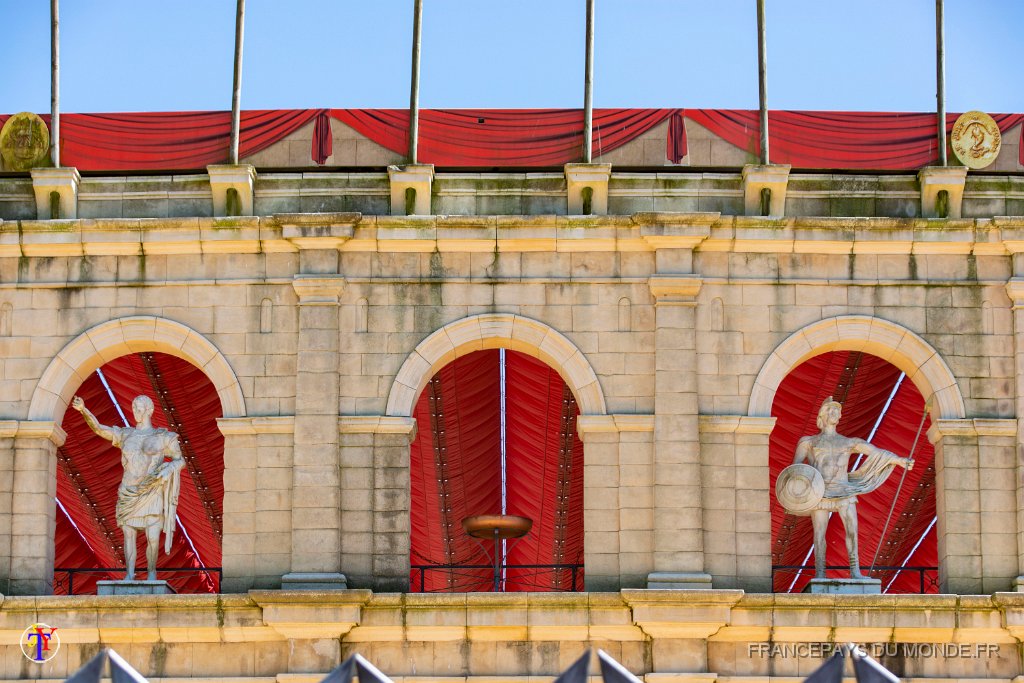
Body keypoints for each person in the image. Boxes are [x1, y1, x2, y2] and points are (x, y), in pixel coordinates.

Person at [793, 397, 914, 580]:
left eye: (837, 411)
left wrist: (899, 460)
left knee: (852, 531)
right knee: (819, 534)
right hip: (820, 492)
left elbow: (875, 452)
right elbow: (794, 470)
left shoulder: (849, 442)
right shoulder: (809, 442)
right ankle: (820, 573)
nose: (835, 414)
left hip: (844, 490)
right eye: (831, 410)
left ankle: (855, 571)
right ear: (822, 415)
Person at [72, 394, 184, 581]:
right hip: (128, 491)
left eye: (139, 408)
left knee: (153, 537)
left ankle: (151, 573)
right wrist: (84, 410)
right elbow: (99, 429)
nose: (135, 412)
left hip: (152, 489)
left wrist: (169, 468)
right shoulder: (126, 434)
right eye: (133, 408)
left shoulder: (164, 437)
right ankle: (130, 574)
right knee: (129, 535)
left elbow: (180, 460)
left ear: (149, 410)